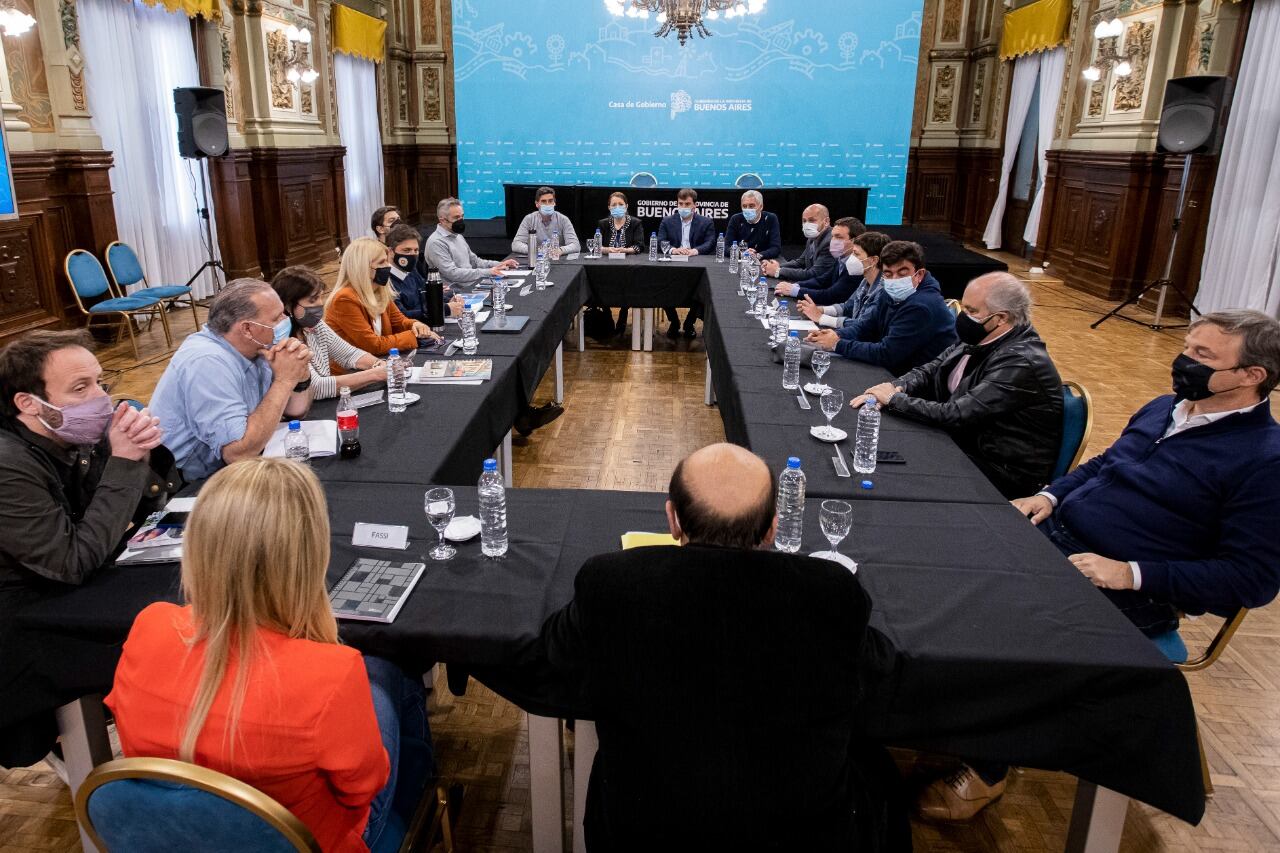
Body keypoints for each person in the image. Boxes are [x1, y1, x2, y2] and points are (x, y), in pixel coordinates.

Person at [925, 310, 1280, 824]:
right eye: (1187, 347)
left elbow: (1251, 579)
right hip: (1062, 534)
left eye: (1202, 355)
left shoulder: (1264, 460)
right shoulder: (1166, 407)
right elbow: (1103, 465)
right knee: (945, 559)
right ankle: (937, 706)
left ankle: (989, 764)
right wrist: (1049, 495)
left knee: (1015, 625)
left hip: (1139, 585)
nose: (1184, 361)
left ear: (1252, 375)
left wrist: (1128, 572)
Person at [536, 443, 905, 851]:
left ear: (673, 519)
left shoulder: (609, 582)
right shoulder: (832, 593)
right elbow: (879, 666)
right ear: (772, 529)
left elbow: (557, 652)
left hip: (641, 832)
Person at [106, 458, 434, 853]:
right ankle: (424, 792)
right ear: (309, 557)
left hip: (170, 836)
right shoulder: (331, 673)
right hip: (314, 842)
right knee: (385, 670)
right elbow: (364, 789)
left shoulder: (149, 626)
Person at [0, 330, 177, 767]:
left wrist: (143, 457)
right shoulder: (8, 464)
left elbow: (149, 507)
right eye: (81, 388)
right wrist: (124, 463)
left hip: (74, 579)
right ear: (28, 403)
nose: (101, 397)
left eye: (100, 381)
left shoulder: (73, 434)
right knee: (170, 640)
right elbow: (72, 561)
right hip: (23, 621)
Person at [852, 273, 1063, 499]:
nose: (964, 316)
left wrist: (894, 399)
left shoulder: (1020, 362)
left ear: (1001, 318)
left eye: (971, 311)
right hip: (963, 444)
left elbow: (958, 414)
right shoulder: (982, 336)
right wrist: (896, 386)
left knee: (894, 476)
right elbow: (931, 369)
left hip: (999, 470)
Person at [151, 279, 313, 481]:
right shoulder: (207, 362)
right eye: (276, 317)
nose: (285, 320)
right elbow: (238, 454)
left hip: (233, 467)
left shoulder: (258, 347)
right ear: (247, 329)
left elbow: (295, 412)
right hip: (187, 483)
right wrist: (284, 381)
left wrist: (300, 374)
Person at [805, 240, 957, 376]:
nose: (894, 280)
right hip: (894, 369)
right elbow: (865, 327)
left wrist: (837, 344)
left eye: (902, 273)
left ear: (919, 274)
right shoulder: (888, 290)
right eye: (888, 274)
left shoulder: (922, 306)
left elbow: (887, 354)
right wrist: (835, 335)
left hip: (916, 381)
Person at [271, 265, 387, 399]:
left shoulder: (315, 325)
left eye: (321, 297)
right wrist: (376, 374)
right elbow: (315, 388)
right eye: (312, 300)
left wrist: (378, 364)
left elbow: (349, 354)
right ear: (288, 306)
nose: (320, 303)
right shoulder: (282, 340)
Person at [324, 237, 441, 360]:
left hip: (378, 362)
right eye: (381, 262)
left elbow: (399, 321)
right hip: (351, 369)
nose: (388, 266)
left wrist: (415, 325)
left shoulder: (379, 290)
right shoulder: (345, 299)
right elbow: (372, 345)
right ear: (363, 267)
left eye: (386, 261)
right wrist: (413, 336)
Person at [797, 230, 890, 326]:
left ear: (873, 260)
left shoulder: (883, 290)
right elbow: (848, 307)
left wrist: (821, 318)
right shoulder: (865, 281)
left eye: (856, 254)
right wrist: (821, 310)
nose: (851, 257)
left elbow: (864, 325)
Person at [425, 197, 519, 291]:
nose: (461, 220)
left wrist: (500, 264)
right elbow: (453, 274)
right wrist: (488, 272)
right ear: (443, 220)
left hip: (472, 285)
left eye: (462, 216)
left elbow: (475, 262)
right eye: (456, 217)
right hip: (455, 293)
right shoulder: (436, 243)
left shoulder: (457, 236)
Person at [657, 188, 714, 338]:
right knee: (660, 284)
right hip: (673, 265)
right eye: (680, 204)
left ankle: (689, 322)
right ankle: (674, 321)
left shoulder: (706, 222)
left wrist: (694, 251)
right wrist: (673, 250)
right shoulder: (667, 221)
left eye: (687, 204)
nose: (683, 207)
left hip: (695, 265)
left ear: (695, 205)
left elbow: (710, 243)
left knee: (702, 287)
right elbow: (660, 241)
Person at [774, 217, 867, 305]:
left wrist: (794, 291)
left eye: (839, 237)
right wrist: (795, 285)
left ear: (855, 241)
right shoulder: (841, 258)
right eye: (833, 236)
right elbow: (822, 280)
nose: (833, 241)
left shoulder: (855, 266)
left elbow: (831, 295)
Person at [384, 223, 463, 324]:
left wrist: (447, 301)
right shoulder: (385, 280)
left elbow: (425, 295)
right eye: (406, 250)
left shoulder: (411, 271)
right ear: (390, 251)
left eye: (416, 250)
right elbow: (401, 316)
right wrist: (445, 309)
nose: (412, 254)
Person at [596, 191, 646, 336]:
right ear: (609, 207)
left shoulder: (635, 223)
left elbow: (640, 246)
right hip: (606, 267)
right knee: (598, 283)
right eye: (614, 205)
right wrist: (607, 249)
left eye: (620, 204)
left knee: (629, 284)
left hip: (628, 267)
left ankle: (623, 316)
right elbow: (596, 246)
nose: (617, 207)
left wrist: (625, 250)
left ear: (626, 206)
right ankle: (607, 314)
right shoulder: (603, 224)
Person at [761, 204, 835, 283]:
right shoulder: (812, 237)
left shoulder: (830, 242)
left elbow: (813, 274)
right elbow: (800, 262)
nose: (807, 224)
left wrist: (778, 271)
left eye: (812, 220)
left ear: (826, 221)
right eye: (804, 221)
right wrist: (774, 266)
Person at [511, 186, 581, 258]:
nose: (547, 204)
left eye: (550, 201)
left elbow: (575, 245)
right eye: (543, 201)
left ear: (554, 203)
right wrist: (537, 250)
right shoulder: (529, 219)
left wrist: (561, 250)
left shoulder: (563, 219)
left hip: (557, 260)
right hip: (537, 259)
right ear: (537, 204)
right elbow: (516, 244)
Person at [723, 190, 781, 259]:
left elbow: (776, 248)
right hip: (741, 260)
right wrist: (742, 254)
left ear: (761, 206)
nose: (747, 209)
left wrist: (757, 255)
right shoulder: (735, 219)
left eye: (751, 206)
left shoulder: (771, 218)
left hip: (764, 261)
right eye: (744, 206)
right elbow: (726, 247)